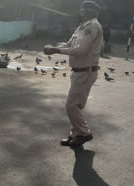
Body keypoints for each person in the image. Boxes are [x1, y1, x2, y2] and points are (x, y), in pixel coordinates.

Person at [44, 1, 103, 148]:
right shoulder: (81, 27)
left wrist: (56, 51)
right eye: (83, 8)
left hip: (86, 71)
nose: (84, 11)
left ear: (95, 12)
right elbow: (70, 44)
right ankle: (76, 134)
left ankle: (83, 133)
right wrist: (55, 47)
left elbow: (80, 50)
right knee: (75, 106)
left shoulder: (92, 26)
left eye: (88, 9)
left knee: (71, 106)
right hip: (79, 71)